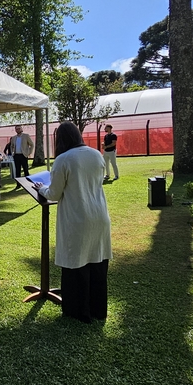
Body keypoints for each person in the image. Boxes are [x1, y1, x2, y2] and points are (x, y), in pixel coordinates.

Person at [33, 122, 112, 322]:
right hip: (100, 215)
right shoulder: (96, 154)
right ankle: (97, 310)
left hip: (78, 217)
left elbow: (54, 193)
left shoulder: (64, 159)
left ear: (60, 139)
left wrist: (41, 188)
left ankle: (78, 311)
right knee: (97, 261)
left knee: (76, 261)